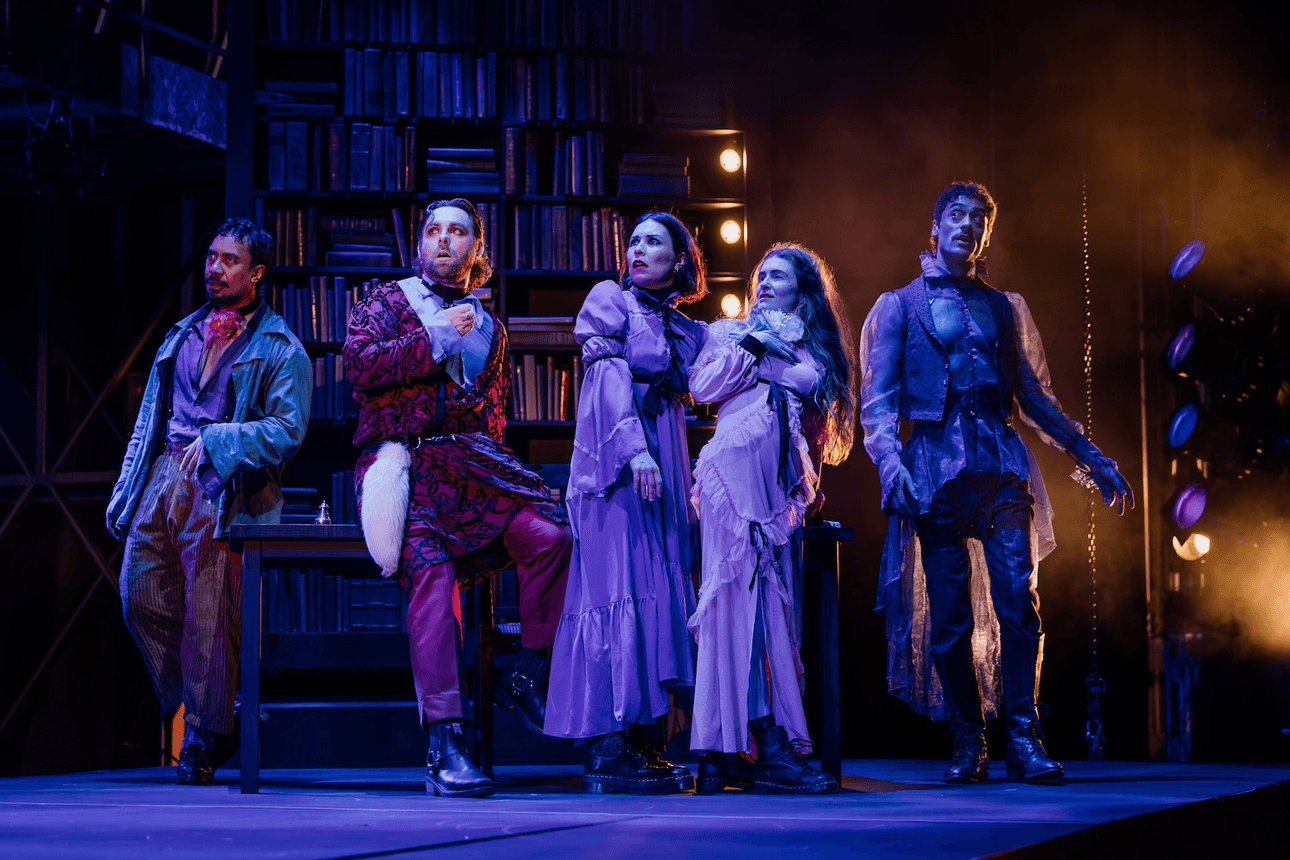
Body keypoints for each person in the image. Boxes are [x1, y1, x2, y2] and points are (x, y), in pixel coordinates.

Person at [859, 181, 1134, 784]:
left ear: (988, 232)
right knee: (952, 616)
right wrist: (889, 463)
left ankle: (1023, 736)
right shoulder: (899, 305)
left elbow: (1035, 397)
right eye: (956, 214)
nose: (968, 225)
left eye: (979, 217)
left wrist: (1091, 455)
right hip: (934, 471)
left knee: (1020, 605)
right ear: (935, 225)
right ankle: (967, 740)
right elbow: (876, 402)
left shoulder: (1005, 306)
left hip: (1001, 467)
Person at [344, 198, 571, 798]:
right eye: (434, 230)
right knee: (432, 576)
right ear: (420, 245)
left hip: (469, 463)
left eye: (458, 232)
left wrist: (493, 465)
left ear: (476, 249)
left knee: (553, 535)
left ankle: (524, 672)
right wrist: (434, 336)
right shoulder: (387, 302)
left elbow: (492, 414)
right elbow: (362, 369)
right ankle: (445, 738)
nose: (444, 240)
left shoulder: (490, 326)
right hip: (406, 459)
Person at [108, 218, 312, 785]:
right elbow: (150, 418)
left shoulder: (278, 346)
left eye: (229, 260)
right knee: (137, 593)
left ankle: (203, 732)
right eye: (212, 257)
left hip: (225, 487)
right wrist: (129, 484)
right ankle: (218, 708)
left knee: (208, 615)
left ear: (258, 272)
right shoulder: (181, 333)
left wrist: (222, 440)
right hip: (166, 474)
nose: (214, 269)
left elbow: (288, 431)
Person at [545, 211, 708, 795]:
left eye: (654, 242)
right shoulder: (610, 299)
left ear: (681, 260)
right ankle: (605, 743)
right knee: (613, 590)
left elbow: (727, 378)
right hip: (613, 466)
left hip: (665, 470)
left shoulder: (689, 330)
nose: (639, 250)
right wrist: (636, 452)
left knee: (659, 589)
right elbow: (610, 379)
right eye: (634, 240)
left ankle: (642, 737)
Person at [687, 243, 858, 794]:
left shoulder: (814, 350)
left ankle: (734, 751)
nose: (763, 284)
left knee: (767, 618)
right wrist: (758, 344)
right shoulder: (728, 333)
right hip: (730, 479)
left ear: (803, 291)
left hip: (775, 494)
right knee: (732, 609)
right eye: (762, 276)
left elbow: (817, 396)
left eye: (778, 278)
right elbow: (704, 388)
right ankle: (757, 747)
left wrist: (778, 361)